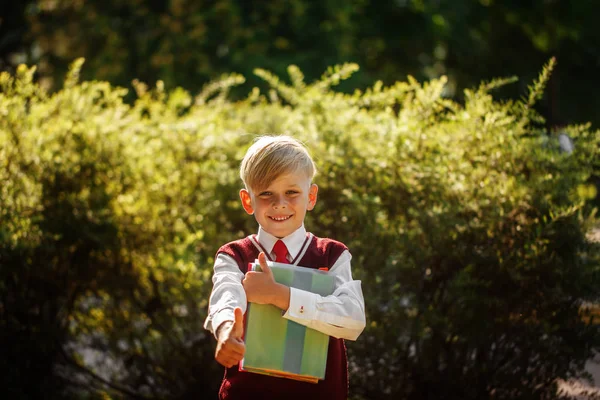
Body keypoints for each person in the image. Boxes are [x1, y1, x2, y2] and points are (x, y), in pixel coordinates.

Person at [204, 135, 366, 400]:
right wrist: (224, 330)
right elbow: (225, 296)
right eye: (266, 193)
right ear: (248, 201)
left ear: (311, 196)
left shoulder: (332, 255)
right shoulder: (233, 256)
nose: (279, 203)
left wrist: (278, 295)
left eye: (291, 192)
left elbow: (353, 319)